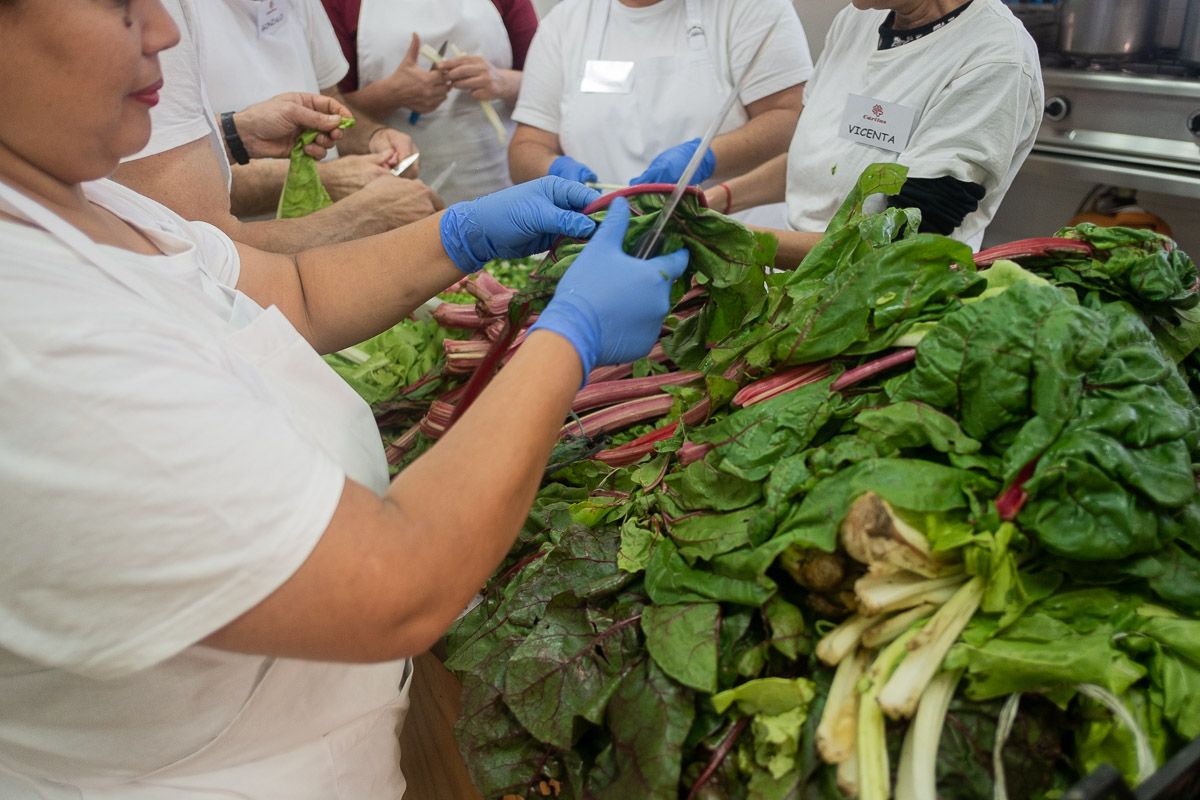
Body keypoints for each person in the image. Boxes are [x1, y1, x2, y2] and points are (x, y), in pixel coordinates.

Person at [0, 0, 688, 797]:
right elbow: (395, 583)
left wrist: (460, 235)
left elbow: (290, 289)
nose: (166, 30)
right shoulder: (31, 335)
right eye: (119, 4)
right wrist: (569, 337)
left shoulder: (85, 203)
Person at [709, 0, 1043, 266]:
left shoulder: (996, 58)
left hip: (885, 303)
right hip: (793, 286)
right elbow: (816, 160)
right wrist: (717, 199)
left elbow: (897, 244)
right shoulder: (857, 20)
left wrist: (727, 239)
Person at [113, 0, 440, 254]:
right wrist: (339, 189)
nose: (163, 34)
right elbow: (178, 206)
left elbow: (330, 98)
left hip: (319, 255)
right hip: (252, 277)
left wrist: (373, 136)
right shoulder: (167, 21)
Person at [508, 0, 812, 225]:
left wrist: (704, 158)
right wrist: (556, 172)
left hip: (728, 242)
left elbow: (788, 118)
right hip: (598, 244)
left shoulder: (750, 8)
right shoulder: (566, 23)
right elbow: (527, 146)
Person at [192, 0, 420, 219]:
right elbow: (185, 183)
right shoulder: (180, 18)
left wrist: (374, 137)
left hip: (325, 227)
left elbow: (329, 103)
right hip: (240, 242)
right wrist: (328, 177)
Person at [321, 0, 540, 204]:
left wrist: (502, 81)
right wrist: (391, 94)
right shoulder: (336, 5)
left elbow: (546, 85)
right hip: (396, 189)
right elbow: (331, 110)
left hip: (498, 179)